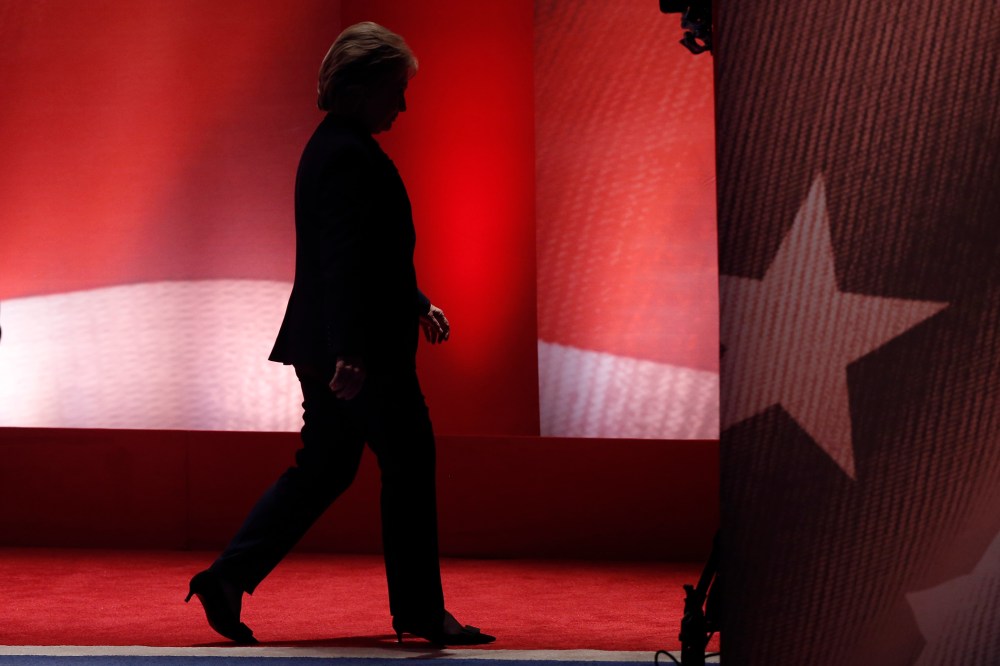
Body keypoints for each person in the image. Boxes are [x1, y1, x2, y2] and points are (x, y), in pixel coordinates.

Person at [185, 22, 495, 648]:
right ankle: (419, 611)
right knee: (408, 463)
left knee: (325, 468)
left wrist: (414, 301)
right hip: (362, 352)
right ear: (358, 87)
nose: (401, 105)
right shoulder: (348, 156)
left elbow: (363, 254)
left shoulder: (334, 149)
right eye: (394, 90)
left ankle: (227, 578)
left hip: (335, 342)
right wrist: (351, 349)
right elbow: (343, 258)